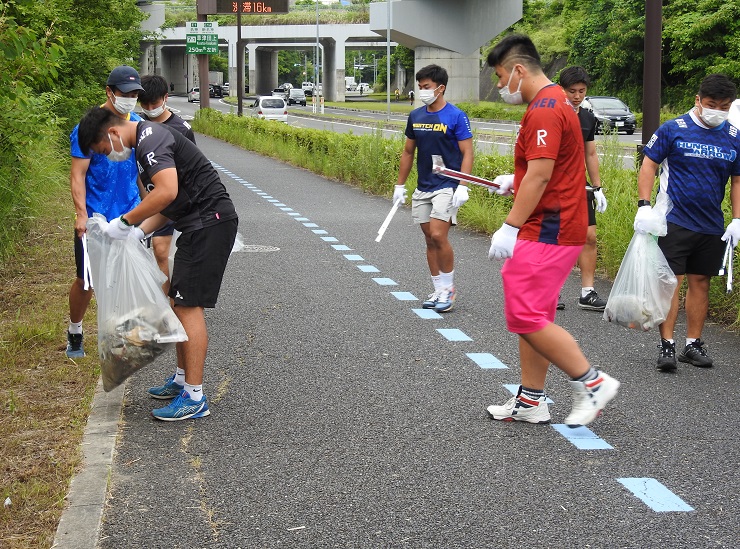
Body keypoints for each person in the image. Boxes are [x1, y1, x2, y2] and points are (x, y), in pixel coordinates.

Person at [485, 34, 619, 426]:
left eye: (499, 76)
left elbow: (542, 174)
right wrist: (518, 176)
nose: (499, 86)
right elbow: (550, 166)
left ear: (518, 71)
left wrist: (510, 226)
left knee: (523, 315)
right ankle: (531, 401)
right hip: (559, 221)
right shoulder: (560, 101)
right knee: (537, 314)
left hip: (549, 226)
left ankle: (592, 383)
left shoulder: (544, 107)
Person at [77, 107, 239, 421]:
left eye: (101, 150)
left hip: (210, 222)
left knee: (188, 306)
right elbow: (169, 202)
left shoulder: (150, 139)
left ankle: (194, 397)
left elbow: (166, 191)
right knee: (180, 304)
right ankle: (182, 380)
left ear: (112, 134)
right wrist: (138, 231)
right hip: (197, 223)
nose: (108, 156)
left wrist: (124, 222)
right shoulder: (144, 147)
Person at [635, 73, 740, 372]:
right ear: (697, 99)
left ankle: (692, 344)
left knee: (701, 283)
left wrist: (737, 219)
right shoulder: (673, 129)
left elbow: (737, 180)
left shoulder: (733, 136)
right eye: (711, 104)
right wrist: (644, 207)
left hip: (710, 224)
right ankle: (666, 345)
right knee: (671, 283)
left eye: (724, 106)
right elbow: (649, 165)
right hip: (674, 220)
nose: (716, 110)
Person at [66, 65, 144, 359]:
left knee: (125, 279)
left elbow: (138, 171)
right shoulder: (87, 128)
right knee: (87, 281)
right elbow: (77, 175)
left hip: (129, 214)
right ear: (109, 92)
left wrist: (147, 204)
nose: (130, 98)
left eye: (135, 93)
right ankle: (75, 331)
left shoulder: (135, 124)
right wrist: (80, 214)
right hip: (96, 216)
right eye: (125, 93)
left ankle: (121, 338)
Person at [395, 64, 474, 312]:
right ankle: (438, 289)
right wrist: (399, 185)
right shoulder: (416, 116)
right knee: (429, 240)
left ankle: (449, 290)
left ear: (441, 88)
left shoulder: (456, 116)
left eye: (426, 87)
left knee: (440, 235)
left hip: (447, 184)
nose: (422, 91)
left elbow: (467, 152)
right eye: (420, 87)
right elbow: (408, 151)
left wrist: (462, 185)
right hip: (423, 186)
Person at [139, 74, 196, 293]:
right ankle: (167, 306)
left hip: (176, 199)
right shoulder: (139, 125)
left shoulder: (181, 129)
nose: (150, 108)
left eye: (155, 103)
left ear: (165, 98)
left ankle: (175, 305)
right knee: (159, 252)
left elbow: (191, 170)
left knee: (164, 250)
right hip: (151, 200)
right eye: (145, 104)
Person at [559, 66, 608, 311]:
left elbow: (590, 152)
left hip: (580, 186)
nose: (577, 96)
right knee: (555, 238)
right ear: (562, 90)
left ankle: (587, 292)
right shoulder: (553, 115)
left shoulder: (588, 117)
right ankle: (551, 290)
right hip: (555, 186)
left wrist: (597, 186)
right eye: (572, 91)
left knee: (589, 236)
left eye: (582, 91)